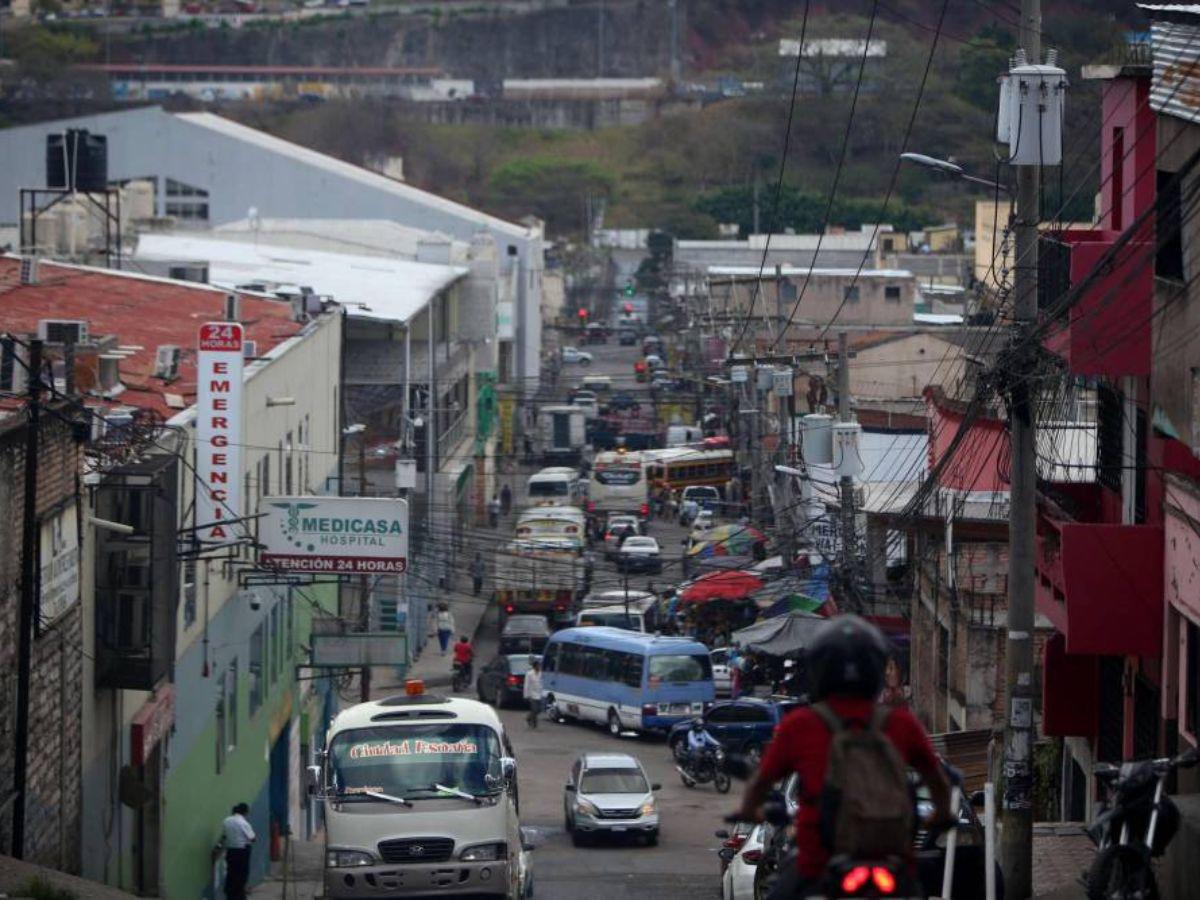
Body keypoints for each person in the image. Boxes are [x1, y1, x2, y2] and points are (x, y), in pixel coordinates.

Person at [733, 615, 954, 898]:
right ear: (875, 670)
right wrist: (941, 815)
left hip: (817, 864)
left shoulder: (801, 724)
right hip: (892, 862)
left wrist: (750, 810)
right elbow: (937, 781)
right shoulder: (901, 724)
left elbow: (760, 783)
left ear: (820, 670)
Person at [221, 802, 256, 900]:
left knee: (231, 873)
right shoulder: (243, 823)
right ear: (245, 812)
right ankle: (239, 896)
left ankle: (230, 895)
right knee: (241, 875)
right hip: (242, 851)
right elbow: (253, 838)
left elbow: (224, 835)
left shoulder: (226, 821)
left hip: (230, 851)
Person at [523, 658, 543, 728]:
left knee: (539, 709)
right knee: (534, 709)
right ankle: (534, 723)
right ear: (535, 666)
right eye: (538, 666)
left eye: (540, 666)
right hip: (532, 694)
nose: (539, 667)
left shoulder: (541, 673)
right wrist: (526, 695)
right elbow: (526, 685)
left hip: (539, 694)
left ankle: (529, 717)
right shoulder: (529, 674)